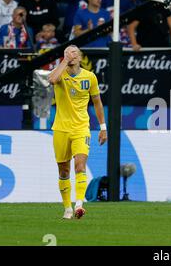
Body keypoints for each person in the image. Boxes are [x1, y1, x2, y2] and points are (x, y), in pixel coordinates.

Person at [48, 45, 107, 219]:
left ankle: (79, 204)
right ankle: (67, 208)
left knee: (80, 166)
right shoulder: (60, 74)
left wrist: (103, 128)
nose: (70, 55)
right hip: (60, 129)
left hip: (81, 128)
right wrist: (64, 61)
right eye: (67, 52)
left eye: (74, 53)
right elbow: (51, 80)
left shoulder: (90, 77)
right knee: (63, 171)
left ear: (80, 57)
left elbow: (97, 103)